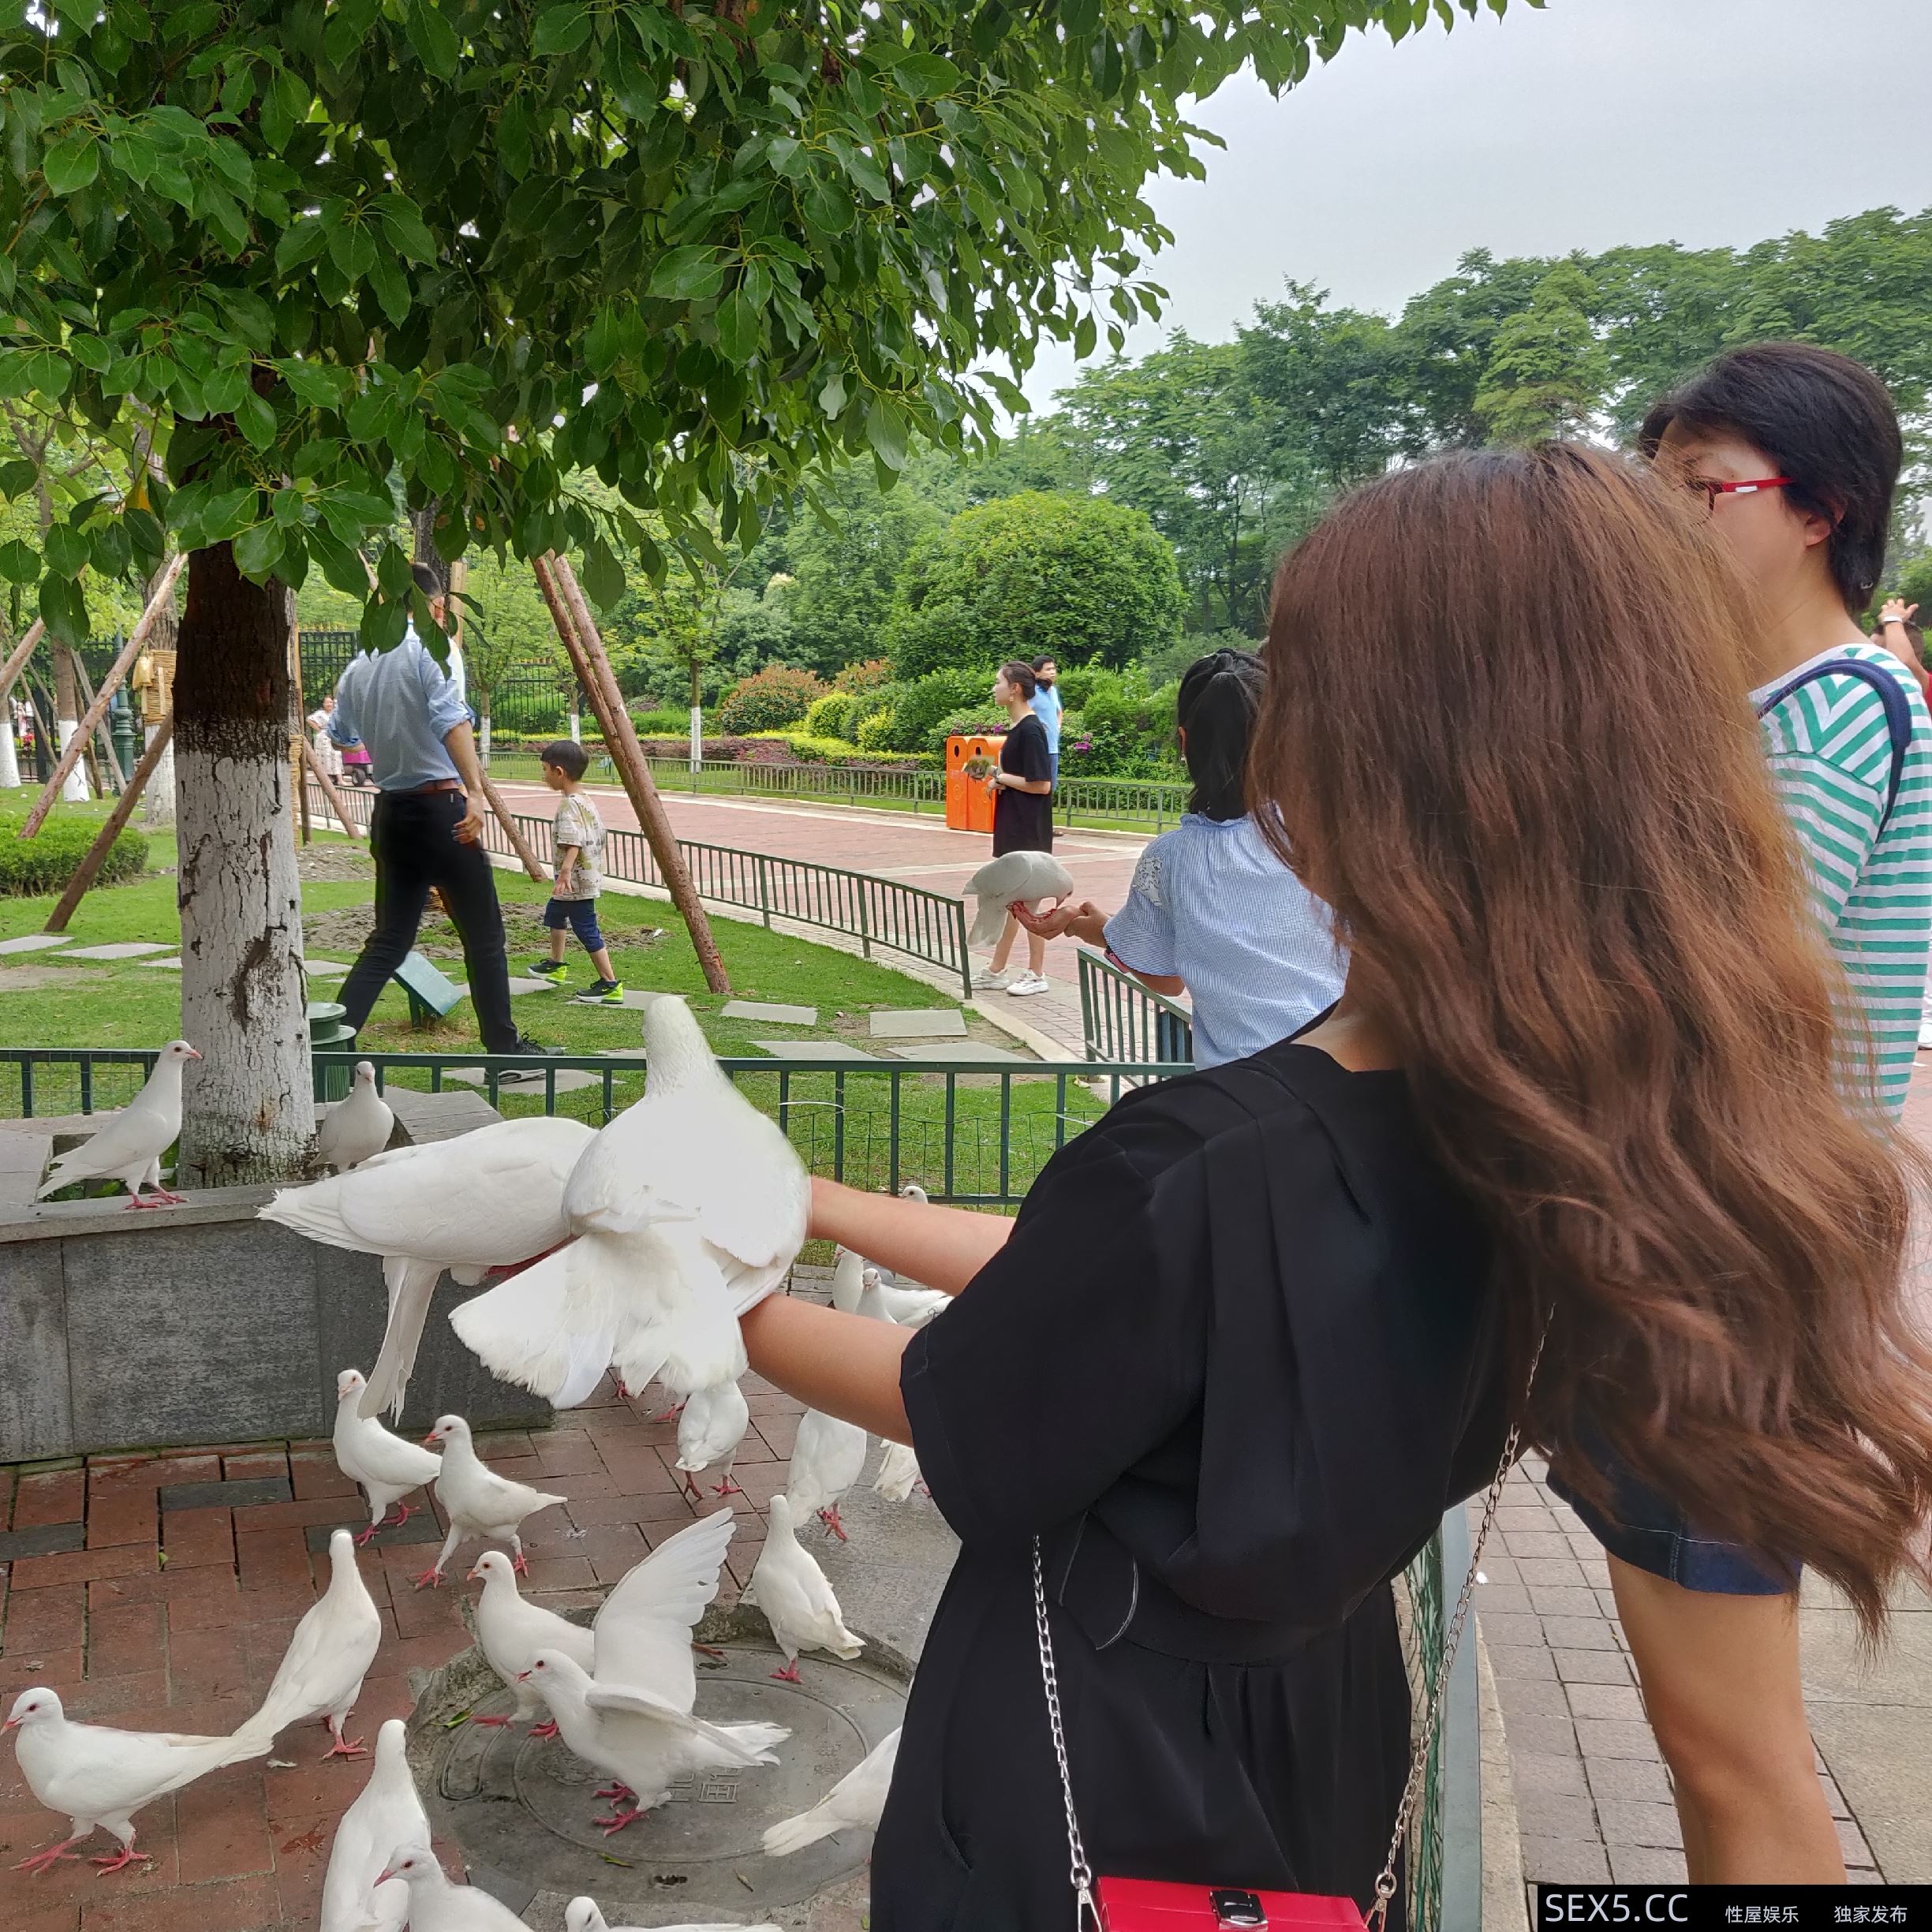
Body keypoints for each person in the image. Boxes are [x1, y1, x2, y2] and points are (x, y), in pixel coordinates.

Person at [734, 445, 1932, 1926]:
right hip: (1320, 1744)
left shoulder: (1203, 1157)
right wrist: (811, 1201)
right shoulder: (1561, 1141)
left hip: (1100, 1779)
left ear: (1367, 756)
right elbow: (1112, 1284)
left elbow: (978, 1393)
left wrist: (705, 1300)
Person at [1569, 342, 1932, 1881]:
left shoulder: (1833, 709)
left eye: (1700, 490)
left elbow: (1721, 980)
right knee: (1704, 1736)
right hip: (1709, 1247)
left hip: (1730, 1268)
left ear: (1816, 509)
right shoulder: (1762, 707)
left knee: (1735, 1748)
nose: (1668, 522)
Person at [1016, 647, 1343, 1067]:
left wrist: (1084, 927)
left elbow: (1165, 978)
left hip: (1239, 1086)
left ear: (1184, 741)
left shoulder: (1171, 859)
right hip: (1347, 1081)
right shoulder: (1334, 840)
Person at [331, 564, 555, 1065]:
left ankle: (331, 1045)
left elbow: (342, 736)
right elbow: (451, 719)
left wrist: (389, 735)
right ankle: (504, 1051)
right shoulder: (434, 648)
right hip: (441, 809)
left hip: (391, 811)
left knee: (389, 940)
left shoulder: (361, 663)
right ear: (436, 605)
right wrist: (475, 791)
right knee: (484, 937)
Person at [974, 660, 1056, 999]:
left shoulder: (1031, 729)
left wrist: (999, 777)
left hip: (1028, 830)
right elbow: (1022, 778)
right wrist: (1000, 779)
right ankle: (997, 970)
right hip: (1015, 825)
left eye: (998, 682)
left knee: (1028, 906)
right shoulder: (1019, 728)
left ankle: (1037, 973)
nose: (993, 688)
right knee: (1014, 903)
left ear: (1015, 689)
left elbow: (1042, 785)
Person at [525, 738, 624, 1003]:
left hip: (576, 882)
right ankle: (556, 965)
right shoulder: (585, 800)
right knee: (555, 914)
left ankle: (610, 984)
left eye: (545, 770)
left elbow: (573, 841)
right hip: (583, 879)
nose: (543, 776)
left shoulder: (569, 805)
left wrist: (566, 873)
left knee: (586, 929)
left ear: (559, 772)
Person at [1029, 656, 1063, 785]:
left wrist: (1057, 727)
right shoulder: (1032, 692)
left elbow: (1059, 711)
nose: (1052, 672)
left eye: (1053, 669)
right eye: (1048, 669)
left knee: (1051, 788)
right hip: (1037, 749)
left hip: (1053, 748)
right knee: (1038, 787)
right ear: (1037, 673)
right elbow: (1023, 714)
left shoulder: (1053, 690)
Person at [306, 693, 342, 783]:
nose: (329, 704)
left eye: (330, 702)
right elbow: (309, 719)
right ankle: (326, 778)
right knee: (325, 757)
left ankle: (340, 779)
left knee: (336, 755)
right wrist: (318, 728)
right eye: (327, 702)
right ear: (324, 704)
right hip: (324, 737)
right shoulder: (320, 714)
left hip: (334, 736)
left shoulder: (336, 713)